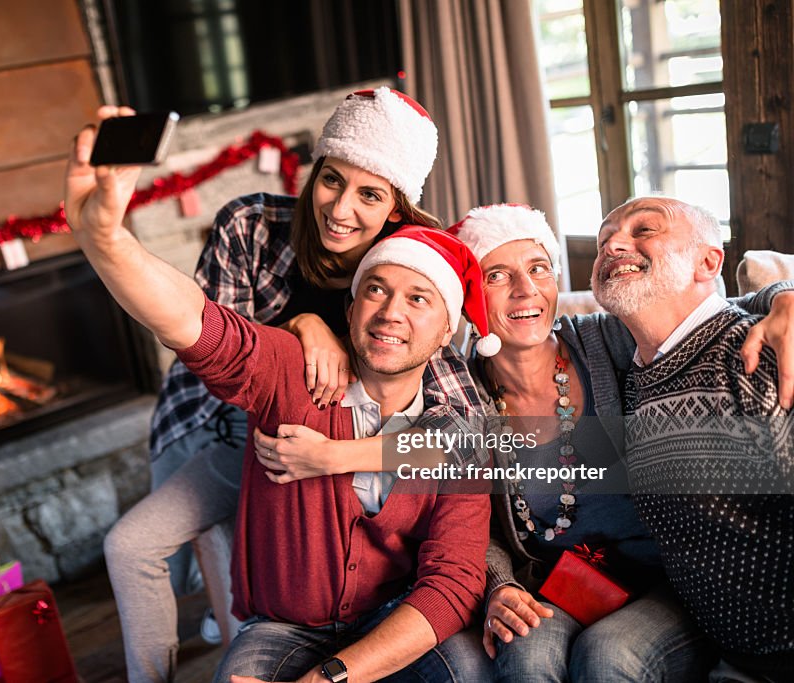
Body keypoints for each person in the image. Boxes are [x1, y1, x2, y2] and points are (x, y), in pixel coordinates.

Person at [254, 203, 794, 680]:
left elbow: (714, 303)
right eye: (498, 275)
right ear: (469, 299)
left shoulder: (608, 336)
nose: (525, 290)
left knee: (608, 658)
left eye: (538, 269)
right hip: (559, 583)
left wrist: (787, 297)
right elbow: (467, 509)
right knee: (526, 656)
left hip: (662, 576)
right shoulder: (458, 389)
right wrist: (499, 586)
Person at [65, 116, 498, 679]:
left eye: (418, 299)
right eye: (376, 290)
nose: (391, 311)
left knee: (466, 668)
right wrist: (106, 241)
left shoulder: (450, 419)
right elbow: (196, 322)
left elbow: (463, 528)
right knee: (169, 569)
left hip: (388, 611)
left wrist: (332, 457)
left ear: (448, 334)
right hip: (235, 458)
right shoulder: (287, 353)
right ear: (350, 306)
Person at [591, 196, 794, 681]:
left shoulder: (764, 356)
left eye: (645, 230)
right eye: (603, 242)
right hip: (731, 654)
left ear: (708, 261)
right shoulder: (629, 370)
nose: (614, 244)